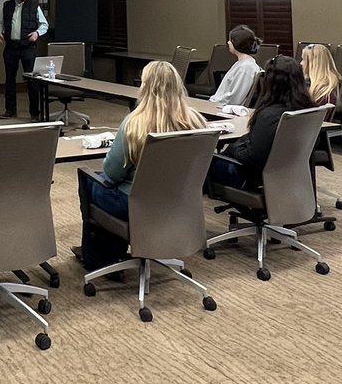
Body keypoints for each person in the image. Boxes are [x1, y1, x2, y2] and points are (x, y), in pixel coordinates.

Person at [75, 61, 207, 270]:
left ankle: (98, 258)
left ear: (145, 87)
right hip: (179, 201)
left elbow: (113, 172)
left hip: (136, 204)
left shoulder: (134, 124)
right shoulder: (197, 122)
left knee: (91, 181)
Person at [208, 55, 314, 190]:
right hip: (286, 172)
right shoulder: (308, 109)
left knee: (200, 164)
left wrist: (234, 148)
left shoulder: (269, 115)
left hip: (249, 175)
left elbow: (253, 158)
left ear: (271, 82)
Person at [0, 0, 48, 120]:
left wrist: (37, 33)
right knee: (10, 80)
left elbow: (44, 24)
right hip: (11, 47)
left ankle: (34, 113)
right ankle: (10, 110)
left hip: (28, 48)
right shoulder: (7, 6)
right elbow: (0, 22)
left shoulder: (34, 6)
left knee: (32, 80)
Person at [209, 24, 263, 107]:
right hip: (218, 105)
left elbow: (234, 98)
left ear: (237, 43)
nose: (228, 42)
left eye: (231, 40)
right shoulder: (241, 64)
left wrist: (212, 103)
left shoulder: (246, 68)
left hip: (223, 109)